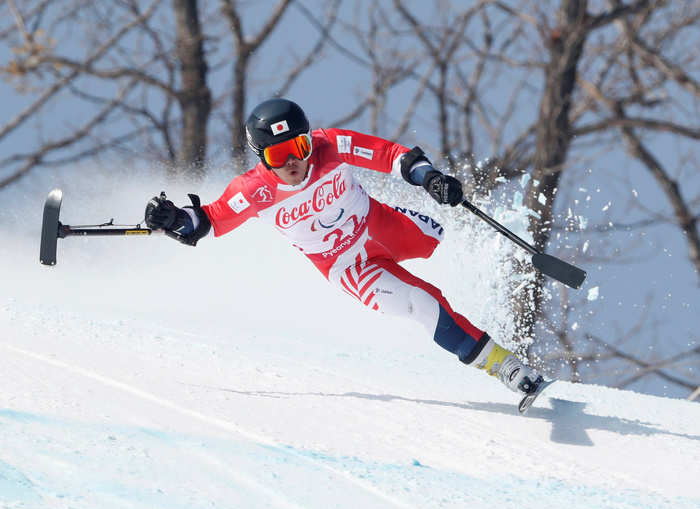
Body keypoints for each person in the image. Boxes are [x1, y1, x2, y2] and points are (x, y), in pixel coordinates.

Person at [145, 98, 544, 396]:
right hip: (349, 267)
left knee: (435, 237)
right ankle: (506, 367)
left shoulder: (328, 146)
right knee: (423, 302)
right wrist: (175, 220)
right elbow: (207, 221)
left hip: (381, 225)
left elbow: (392, 155)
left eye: (298, 147)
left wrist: (431, 179)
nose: (293, 162)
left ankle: (473, 265)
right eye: (278, 155)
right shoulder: (254, 191)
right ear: (261, 158)